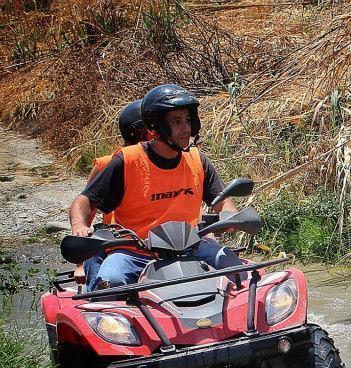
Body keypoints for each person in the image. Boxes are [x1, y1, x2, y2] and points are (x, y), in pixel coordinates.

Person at [69, 84, 243, 290]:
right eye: (177, 122)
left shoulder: (197, 159)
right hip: (134, 252)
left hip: (191, 247)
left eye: (188, 120)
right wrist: (79, 227)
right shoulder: (127, 161)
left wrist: (230, 216)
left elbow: (222, 201)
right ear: (156, 126)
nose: (186, 128)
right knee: (110, 281)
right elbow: (84, 202)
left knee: (239, 272)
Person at [73, 100, 152, 285]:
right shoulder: (108, 164)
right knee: (96, 261)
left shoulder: (164, 163)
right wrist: (79, 264)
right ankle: (97, 302)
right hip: (114, 238)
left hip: (154, 239)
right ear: (142, 133)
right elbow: (88, 211)